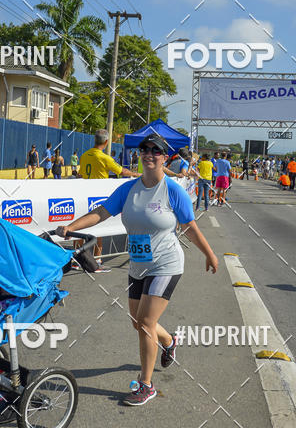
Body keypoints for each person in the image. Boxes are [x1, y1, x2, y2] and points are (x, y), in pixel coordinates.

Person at [56, 133, 218, 406]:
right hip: (138, 264)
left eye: (155, 151)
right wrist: (72, 227)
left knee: (145, 323)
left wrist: (209, 254)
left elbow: (189, 227)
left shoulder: (172, 191)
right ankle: (169, 341)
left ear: (164, 158)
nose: (149, 154)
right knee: (138, 322)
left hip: (166, 263)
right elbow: (102, 213)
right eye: (145, 150)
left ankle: (146, 384)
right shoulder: (128, 189)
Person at [79, 128, 137, 266]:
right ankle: (98, 259)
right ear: (106, 142)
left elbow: (80, 173)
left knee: (81, 225)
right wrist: (137, 175)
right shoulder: (105, 158)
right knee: (99, 226)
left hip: (83, 194)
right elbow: (122, 171)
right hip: (97, 194)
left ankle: (78, 257)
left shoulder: (85, 155)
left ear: (95, 140)